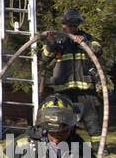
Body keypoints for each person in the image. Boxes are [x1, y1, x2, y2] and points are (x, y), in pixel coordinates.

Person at [39, 8, 105, 141]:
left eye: (75, 26)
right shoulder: (57, 39)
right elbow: (45, 58)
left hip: (85, 89)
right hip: (64, 90)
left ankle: (100, 149)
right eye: (69, 25)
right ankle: (68, 145)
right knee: (65, 121)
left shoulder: (87, 38)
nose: (72, 28)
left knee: (93, 120)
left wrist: (84, 43)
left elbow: (98, 50)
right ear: (64, 25)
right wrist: (51, 43)